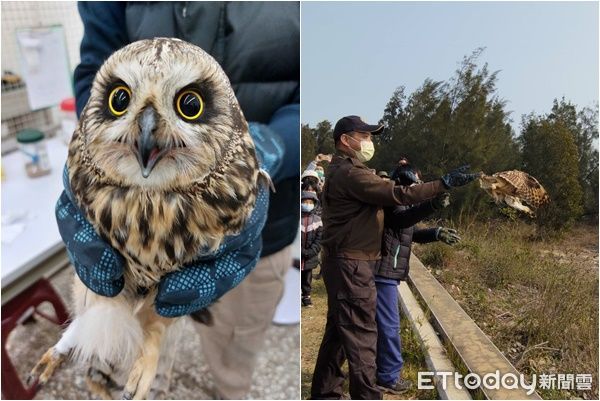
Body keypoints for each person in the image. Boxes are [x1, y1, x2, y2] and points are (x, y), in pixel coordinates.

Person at [64, 2, 299, 399]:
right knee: (130, 352)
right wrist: (91, 147)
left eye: (189, 106)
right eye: (123, 102)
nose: (147, 129)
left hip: (259, 228)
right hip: (121, 235)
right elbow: (95, 71)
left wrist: (274, 146)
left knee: (233, 353)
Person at [310, 115, 481, 400]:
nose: (369, 142)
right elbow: (398, 196)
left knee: (339, 333)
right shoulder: (352, 174)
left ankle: (325, 393)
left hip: (346, 262)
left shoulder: (348, 172)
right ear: (345, 140)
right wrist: (443, 184)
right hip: (353, 265)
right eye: (364, 136)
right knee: (363, 337)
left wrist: (434, 223)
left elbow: (403, 218)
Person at [374, 162, 461, 395]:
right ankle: (388, 377)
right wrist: (432, 204)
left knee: (378, 326)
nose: (417, 189)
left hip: (389, 273)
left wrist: (435, 233)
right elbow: (404, 220)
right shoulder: (392, 202)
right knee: (389, 327)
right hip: (383, 273)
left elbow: (410, 232)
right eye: (415, 184)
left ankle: (375, 370)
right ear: (403, 183)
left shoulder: (402, 205)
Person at [300, 191, 322, 307]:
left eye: (310, 202)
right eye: (304, 202)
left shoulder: (318, 220)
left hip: (310, 256)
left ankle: (306, 296)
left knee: (307, 277)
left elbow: (319, 239)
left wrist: (310, 252)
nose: (307, 204)